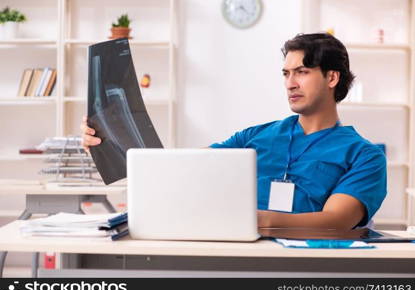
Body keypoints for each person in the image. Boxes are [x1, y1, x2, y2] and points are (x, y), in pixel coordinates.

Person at [81, 33, 387, 230]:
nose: (290, 83)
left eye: (302, 72)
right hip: (230, 248)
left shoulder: (364, 155)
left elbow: (335, 222)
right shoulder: (254, 137)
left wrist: (251, 221)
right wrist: (109, 141)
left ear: (332, 78)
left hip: (304, 265)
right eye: (286, 73)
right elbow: (173, 167)